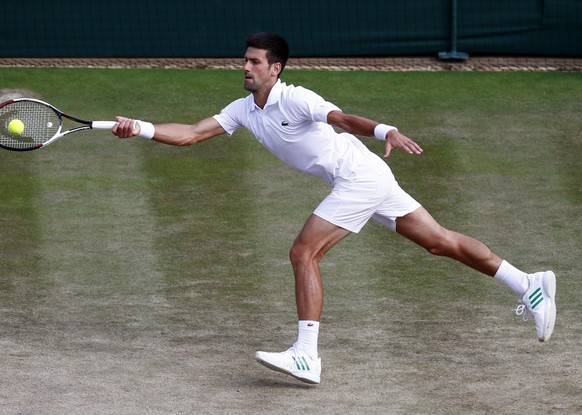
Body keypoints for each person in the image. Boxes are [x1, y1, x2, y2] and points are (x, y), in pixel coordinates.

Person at [111, 32, 556, 385]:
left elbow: (342, 120)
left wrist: (385, 128)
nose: (244, 67)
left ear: (275, 69)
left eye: (253, 61)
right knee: (439, 243)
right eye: (244, 60)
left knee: (304, 252)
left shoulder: (298, 97)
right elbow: (191, 133)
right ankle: (528, 283)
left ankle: (306, 354)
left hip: (359, 177)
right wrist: (142, 128)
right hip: (365, 177)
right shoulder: (244, 109)